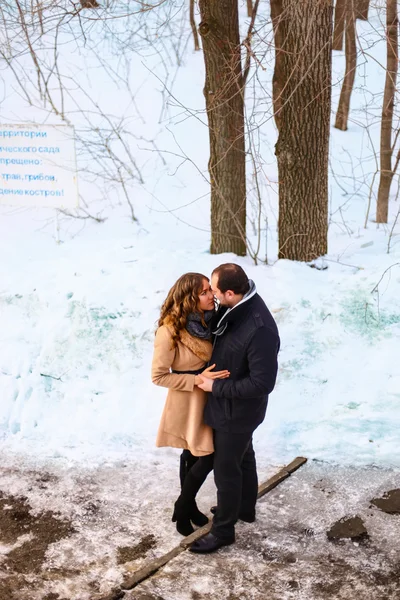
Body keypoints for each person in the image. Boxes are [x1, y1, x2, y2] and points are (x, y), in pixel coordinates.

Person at [189, 263, 280, 554]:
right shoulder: (237, 306)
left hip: (237, 411)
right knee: (244, 457)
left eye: (215, 291)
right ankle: (244, 508)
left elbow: (262, 383)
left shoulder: (260, 328)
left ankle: (223, 531)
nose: (212, 296)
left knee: (226, 469)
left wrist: (216, 388)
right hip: (232, 408)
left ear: (230, 292)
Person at [151, 272, 230, 536]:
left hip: (211, 395)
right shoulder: (169, 331)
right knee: (203, 454)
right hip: (188, 399)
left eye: (210, 289)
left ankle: (187, 505)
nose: (211, 296)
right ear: (189, 298)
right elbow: (159, 376)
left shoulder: (210, 321)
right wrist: (197, 379)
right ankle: (184, 506)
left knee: (194, 453)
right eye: (205, 292)